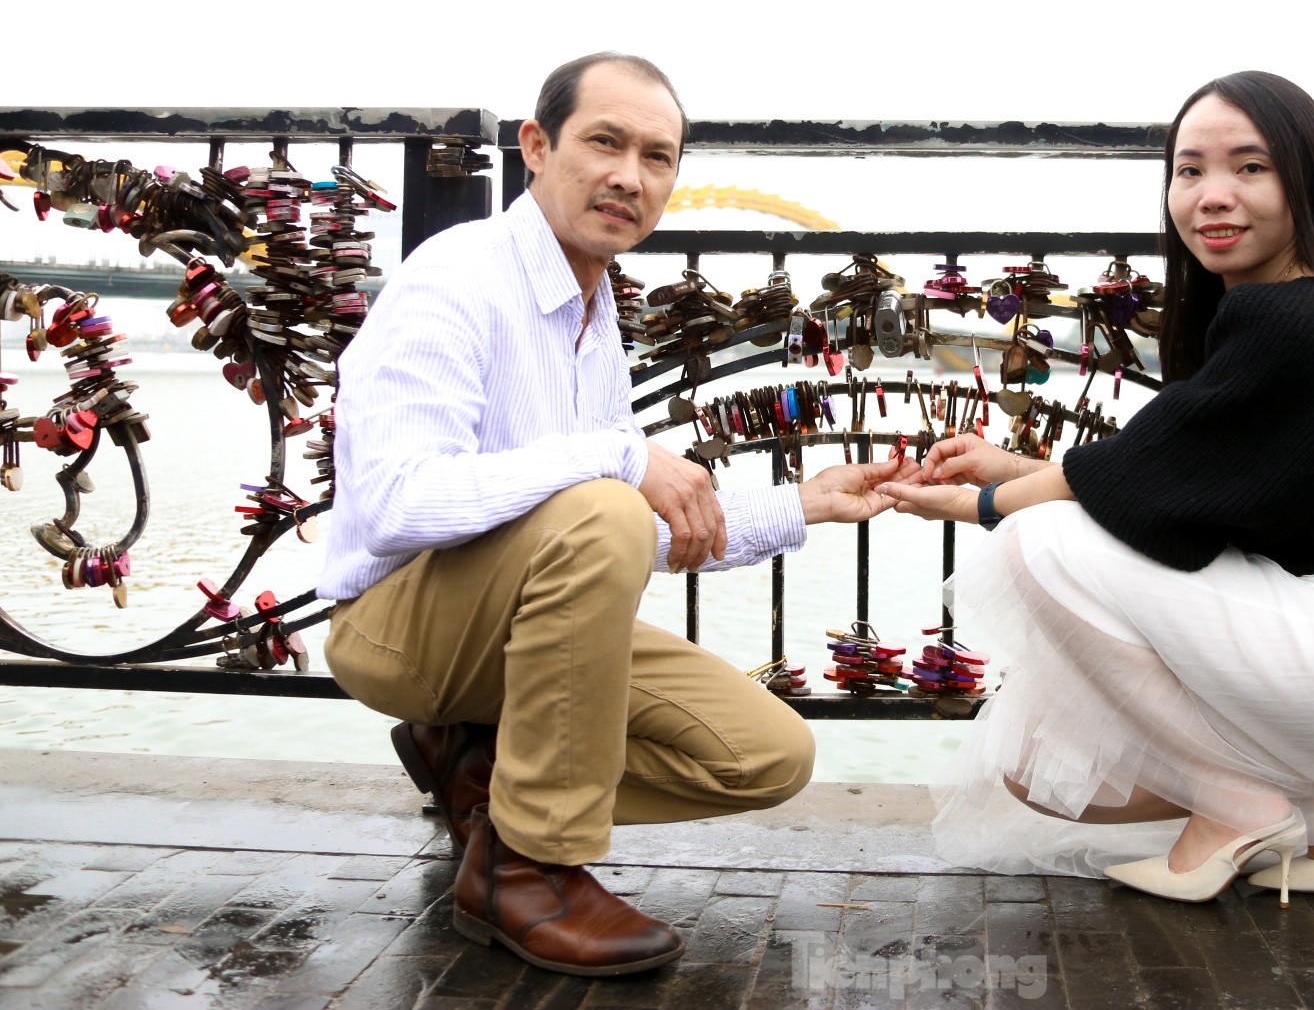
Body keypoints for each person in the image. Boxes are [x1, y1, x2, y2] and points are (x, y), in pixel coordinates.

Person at [319, 52, 911, 976]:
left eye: (658, 157)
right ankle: (528, 868)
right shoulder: (456, 281)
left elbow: (639, 524)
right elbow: (399, 505)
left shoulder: (595, 310)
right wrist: (622, 458)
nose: (630, 176)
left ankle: (481, 773)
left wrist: (805, 503)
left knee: (766, 756)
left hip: (516, 633)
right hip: (400, 629)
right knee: (601, 507)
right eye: (605, 142)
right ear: (536, 146)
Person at [878, 70, 1314, 904]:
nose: (1213, 196)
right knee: (1036, 766)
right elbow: (1177, 467)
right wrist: (1011, 468)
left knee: (1040, 544)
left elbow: (1154, 489)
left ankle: (1239, 808)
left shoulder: (1294, 317)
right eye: (1190, 171)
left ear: (1307, 183)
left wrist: (982, 504)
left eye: (1250, 168)